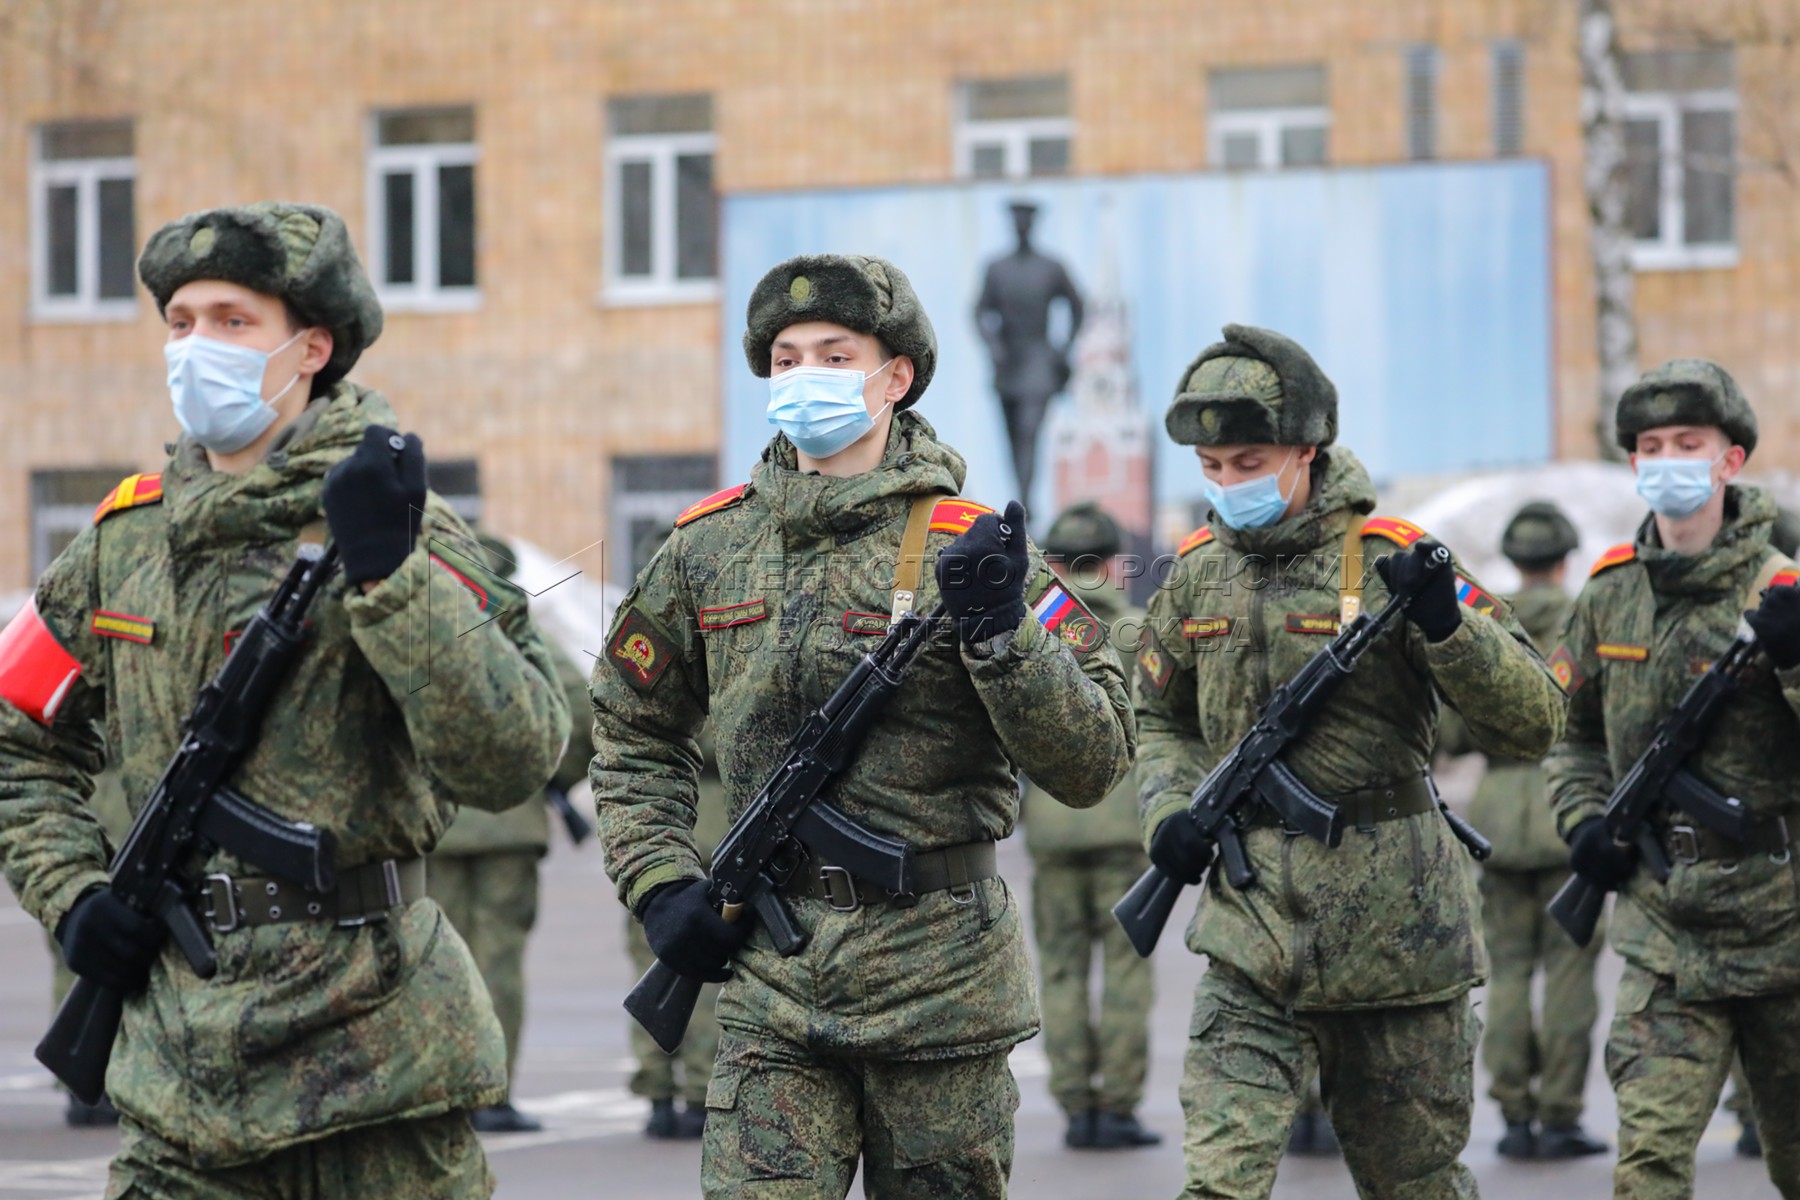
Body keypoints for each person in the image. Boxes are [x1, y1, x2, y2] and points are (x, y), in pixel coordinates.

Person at [0, 202, 569, 1196]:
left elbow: (515, 754)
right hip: (180, 1082)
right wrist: (73, 892)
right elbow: (18, 738)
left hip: (377, 1076)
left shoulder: (400, 525)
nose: (197, 348)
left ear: (312, 348)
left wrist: (395, 581)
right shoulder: (122, 542)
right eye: (181, 322)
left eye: (233, 321)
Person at [590, 252, 1134, 1199]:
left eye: (835, 356)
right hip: (771, 983)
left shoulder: (975, 549)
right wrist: (660, 877)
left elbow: (1094, 760)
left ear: (896, 377)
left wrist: (1002, 633)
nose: (806, 376)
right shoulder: (707, 547)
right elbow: (632, 727)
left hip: (940, 989)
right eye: (787, 358)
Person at [1134, 325, 1566, 1200]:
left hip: (1398, 945)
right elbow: (1160, 719)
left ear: (1307, 449)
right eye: (1211, 466)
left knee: (1415, 1184)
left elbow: (1534, 721)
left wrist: (1447, 626)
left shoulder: (1392, 561)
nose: (1228, 483)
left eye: (1248, 462)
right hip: (1250, 940)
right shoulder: (1194, 577)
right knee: (1216, 1184)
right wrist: (1170, 810)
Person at [1546, 359, 1800, 1200]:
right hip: (1664, 937)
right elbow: (1572, 735)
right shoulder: (1610, 593)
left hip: (1783, 930)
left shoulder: (1784, 595)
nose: (1668, 461)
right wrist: (1585, 821)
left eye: (1688, 443)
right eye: (1651, 446)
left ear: (1731, 460)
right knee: (1647, 1168)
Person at [1438, 501, 1607, 1161]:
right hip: (1571, 810)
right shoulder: (1584, 619)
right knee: (1570, 971)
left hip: (1498, 815)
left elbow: (1454, 733)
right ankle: (1560, 1114)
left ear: (1514, 560)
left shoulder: (1488, 622)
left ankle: (1513, 1113)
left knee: (1506, 971)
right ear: (1563, 560)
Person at [427, 530, 597, 1134]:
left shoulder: (422, 631)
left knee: (435, 960)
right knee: (498, 959)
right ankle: (492, 1093)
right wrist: (545, 777)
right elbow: (578, 711)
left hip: (436, 824)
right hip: (511, 825)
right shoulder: (520, 631)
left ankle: (443, 1092)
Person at [1024, 502, 1159, 1152]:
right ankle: (1120, 1107)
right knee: (1127, 970)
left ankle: (1077, 1106)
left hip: (1052, 826)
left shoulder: (1035, 631)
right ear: (1114, 564)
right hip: (1125, 828)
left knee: (1061, 969)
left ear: (1051, 564)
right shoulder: (1138, 632)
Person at [974, 201, 1084, 500]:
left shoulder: (1050, 267)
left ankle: (1025, 501)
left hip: (1038, 361)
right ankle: (1022, 496)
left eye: (1026, 220)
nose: (1021, 225)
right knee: (1012, 437)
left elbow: (1077, 306)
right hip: (1008, 363)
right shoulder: (997, 269)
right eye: (1017, 220)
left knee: (1029, 431)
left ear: (1033, 224)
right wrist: (994, 345)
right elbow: (980, 311)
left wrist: (1064, 348)